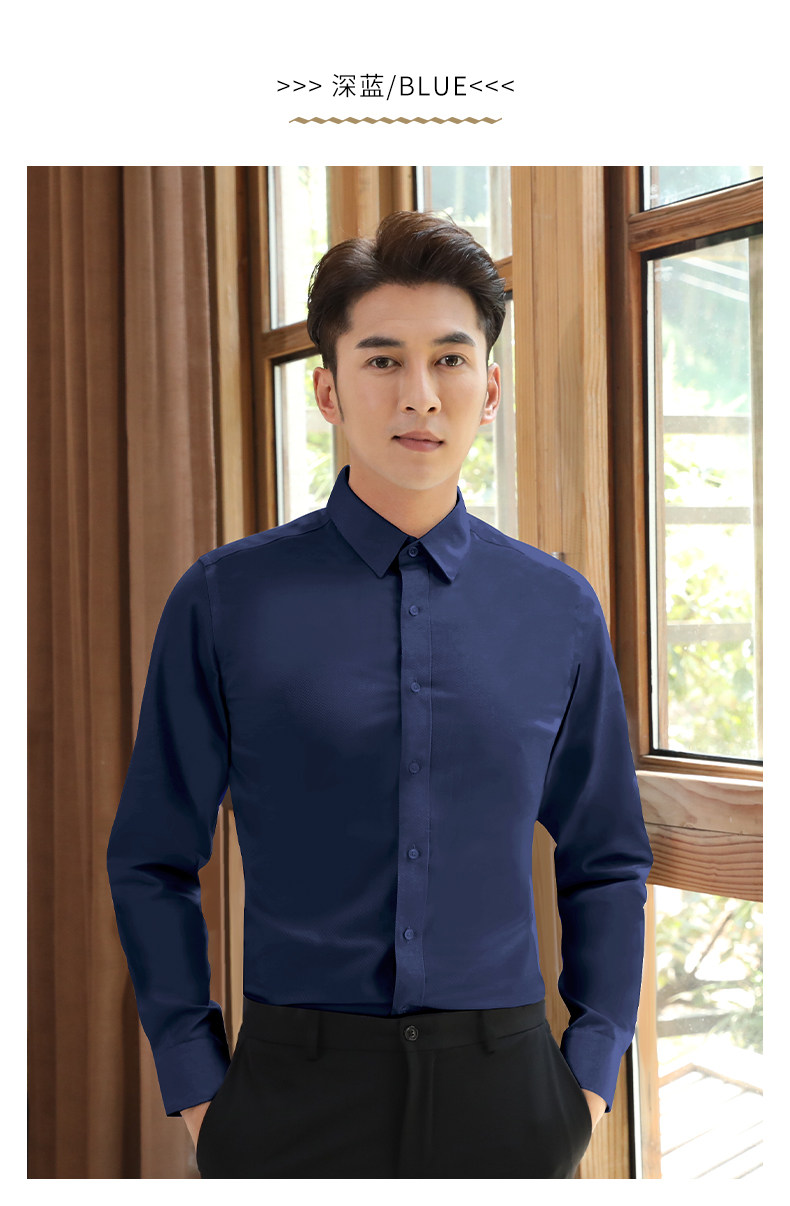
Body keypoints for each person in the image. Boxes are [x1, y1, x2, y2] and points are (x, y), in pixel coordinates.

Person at [107, 210, 653, 1179]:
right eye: (382, 361)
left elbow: (606, 855)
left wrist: (589, 1076)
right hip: (290, 1096)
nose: (420, 396)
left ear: (489, 389)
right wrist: (197, 1087)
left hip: (510, 1097)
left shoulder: (557, 610)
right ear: (327, 390)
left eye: (450, 360)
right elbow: (152, 857)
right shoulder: (226, 601)